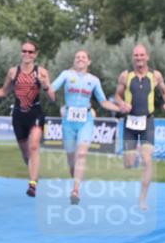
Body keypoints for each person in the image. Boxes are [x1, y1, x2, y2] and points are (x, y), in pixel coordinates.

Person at [0, 40, 54, 197]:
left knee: (34, 147)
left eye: (30, 52)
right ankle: (34, 173)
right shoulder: (13, 72)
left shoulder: (42, 72)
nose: (27, 54)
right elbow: (3, 92)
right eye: (24, 51)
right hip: (18, 115)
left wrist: (45, 85)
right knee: (26, 153)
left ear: (35, 54)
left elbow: (52, 98)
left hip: (35, 113)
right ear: (20, 53)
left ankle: (32, 184)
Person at [49, 50, 125, 205]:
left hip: (86, 120)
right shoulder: (66, 75)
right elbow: (51, 89)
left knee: (82, 154)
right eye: (77, 57)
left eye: (83, 57)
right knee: (71, 159)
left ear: (89, 62)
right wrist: (50, 93)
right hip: (68, 121)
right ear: (74, 60)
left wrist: (120, 108)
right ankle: (75, 180)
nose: (80, 59)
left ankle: (76, 190)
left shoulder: (94, 80)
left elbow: (103, 102)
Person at [114, 44, 165, 209]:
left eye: (142, 55)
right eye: (136, 55)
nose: (139, 58)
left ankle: (142, 200)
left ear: (147, 57)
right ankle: (135, 156)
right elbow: (117, 95)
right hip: (130, 122)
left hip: (147, 121)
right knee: (129, 162)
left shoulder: (155, 75)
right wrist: (122, 103)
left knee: (147, 160)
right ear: (133, 58)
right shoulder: (125, 76)